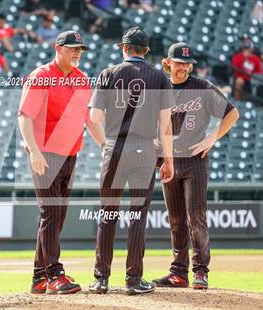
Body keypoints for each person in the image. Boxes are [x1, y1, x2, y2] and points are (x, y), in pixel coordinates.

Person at [88, 27, 174, 295]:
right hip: (144, 149)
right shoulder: (160, 77)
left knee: (107, 214)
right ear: (146, 50)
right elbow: (166, 127)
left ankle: (101, 279)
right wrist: (168, 160)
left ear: (123, 48)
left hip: (114, 147)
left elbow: (94, 119)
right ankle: (134, 280)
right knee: (137, 217)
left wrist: (106, 144)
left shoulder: (108, 74)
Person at [18, 31, 105, 295]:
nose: (78, 52)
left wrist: (105, 146)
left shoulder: (81, 80)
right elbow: (24, 116)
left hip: (70, 155)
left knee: (56, 218)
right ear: (58, 48)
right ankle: (55, 274)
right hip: (44, 154)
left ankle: (38, 278)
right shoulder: (41, 76)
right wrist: (34, 151)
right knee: (50, 214)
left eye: (81, 49)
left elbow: (89, 120)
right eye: (73, 48)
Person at [152, 42, 239, 290]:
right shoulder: (160, 89)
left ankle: (200, 271)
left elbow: (232, 114)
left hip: (195, 162)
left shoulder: (202, 88)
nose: (185, 67)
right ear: (167, 63)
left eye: (188, 63)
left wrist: (212, 137)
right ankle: (178, 272)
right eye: (179, 62)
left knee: (196, 217)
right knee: (176, 220)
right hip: (169, 162)